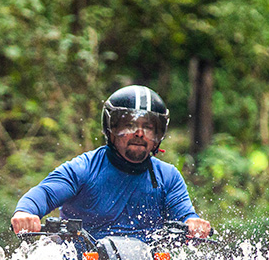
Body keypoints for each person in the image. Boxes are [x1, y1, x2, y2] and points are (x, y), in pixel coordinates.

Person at [11, 85, 212, 241]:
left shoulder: (168, 177)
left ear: (159, 136)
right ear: (110, 129)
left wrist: (194, 224)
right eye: (129, 125)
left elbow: (185, 215)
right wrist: (25, 212)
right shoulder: (84, 168)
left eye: (148, 127)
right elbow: (44, 194)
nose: (139, 134)